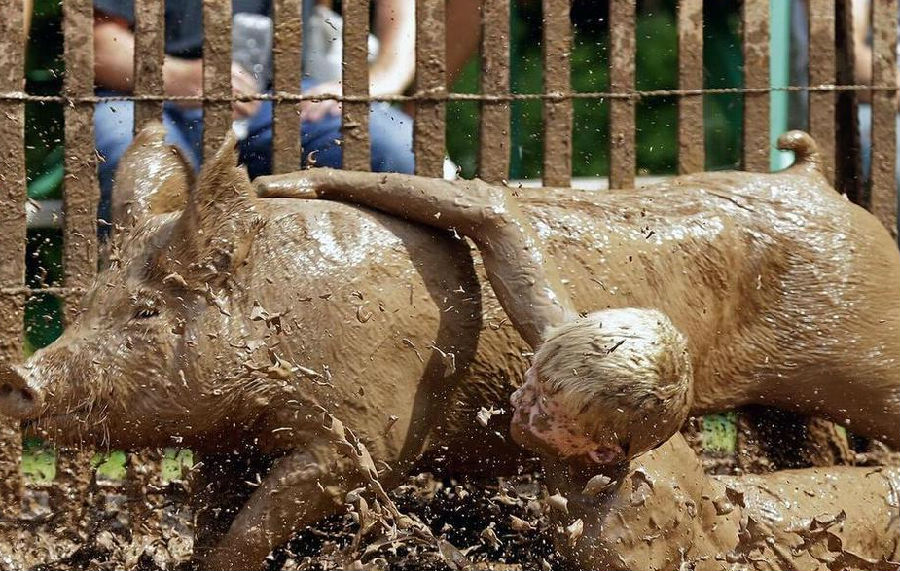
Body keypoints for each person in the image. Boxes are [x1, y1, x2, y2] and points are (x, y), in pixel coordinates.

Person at [92, 0, 415, 224]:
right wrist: (175, 77)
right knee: (132, 156)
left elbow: (405, 22)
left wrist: (373, 83)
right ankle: (138, 309)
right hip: (142, 96)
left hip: (281, 100)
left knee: (394, 143)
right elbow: (95, 42)